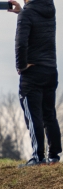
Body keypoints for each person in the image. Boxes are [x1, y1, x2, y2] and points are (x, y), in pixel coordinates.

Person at [8, 0, 61, 165]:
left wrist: (21, 66)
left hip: (32, 72)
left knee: (33, 115)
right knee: (49, 114)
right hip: (50, 69)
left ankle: (38, 158)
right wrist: (22, 11)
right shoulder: (49, 10)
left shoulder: (27, 14)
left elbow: (21, 43)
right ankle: (53, 156)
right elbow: (37, 23)